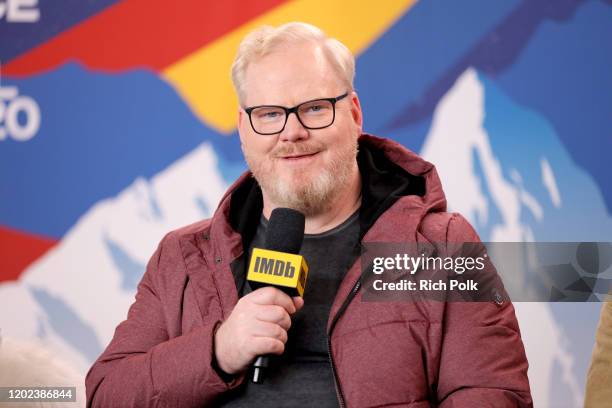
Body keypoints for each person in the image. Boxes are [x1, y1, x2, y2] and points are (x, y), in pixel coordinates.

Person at [86, 22, 532, 407]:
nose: (292, 132)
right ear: (244, 129)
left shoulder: (442, 248)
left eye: (315, 108)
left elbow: (491, 392)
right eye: (269, 114)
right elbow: (106, 394)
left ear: (354, 113)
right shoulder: (182, 257)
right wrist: (218, 349)